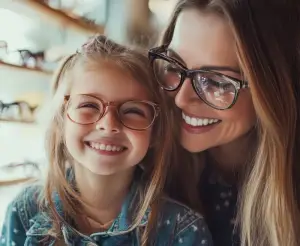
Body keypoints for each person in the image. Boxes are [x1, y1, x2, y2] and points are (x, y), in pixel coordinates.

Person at [0, 35, 212, 246]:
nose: (108, 124)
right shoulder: (24, 211)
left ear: (155, 131)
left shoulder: (182, 231)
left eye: (132, 111)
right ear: (61, 121)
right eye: (89, 106)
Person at [148, 0, 300, 245]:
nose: (181, 98)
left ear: (273, 90)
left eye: (216, 81)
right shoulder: (141, 162)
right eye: (174, 65)